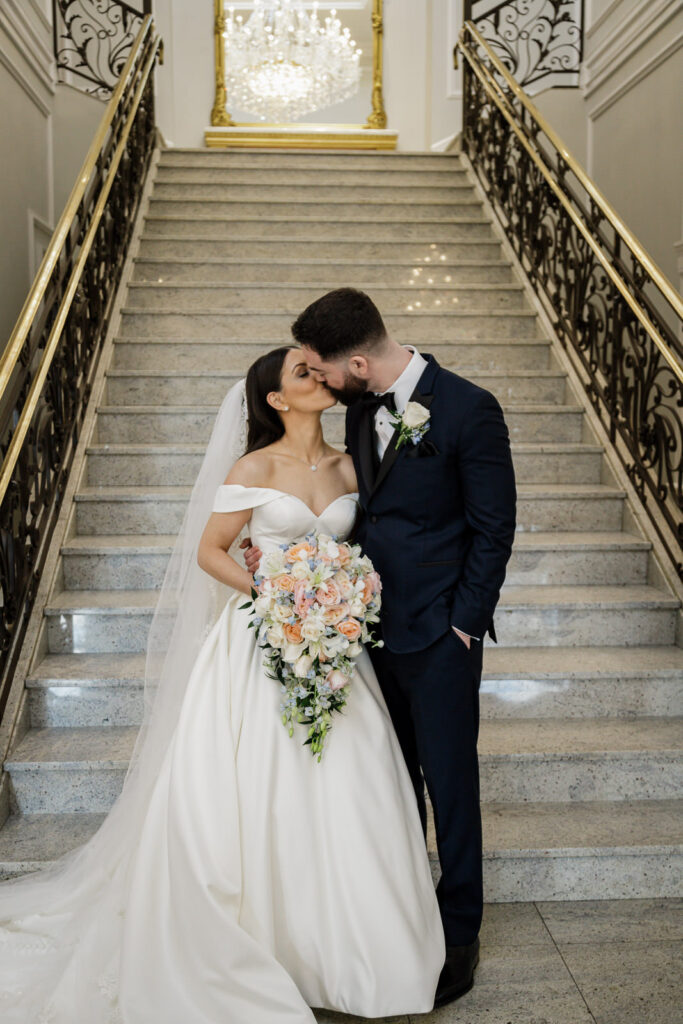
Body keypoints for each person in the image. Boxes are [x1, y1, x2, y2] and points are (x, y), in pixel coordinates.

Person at [0, 344, 445, 1022]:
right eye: (304, 373)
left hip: (333, 644)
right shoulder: (252, 467)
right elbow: (211, 552)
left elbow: (365, 548)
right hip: (262, 641)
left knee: (352, 784)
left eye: (321, 368)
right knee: (256, 790)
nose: (321, 377)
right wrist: (278, 594)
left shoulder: (353, 462)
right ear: (273, 398)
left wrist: (338, 601)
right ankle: (259, 944)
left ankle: (356, 950)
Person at [245, 288, 517, 1006]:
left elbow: (492, 529)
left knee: (449, 784)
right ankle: (400, 915)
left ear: (357, 361)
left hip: (438, 633)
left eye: (322, 370)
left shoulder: (467, 408)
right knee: (391, 784)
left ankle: (459, 928)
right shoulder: (363, 408)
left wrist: (464, 622)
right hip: (359, 632)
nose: (321, 383)